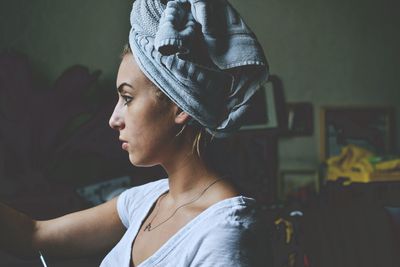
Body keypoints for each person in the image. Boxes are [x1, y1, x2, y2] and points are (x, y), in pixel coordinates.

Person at [0, 0, 269, 266]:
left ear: (179, 107)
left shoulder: (224, 234)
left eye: (127, 98)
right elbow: (33, 235)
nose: (113, 120)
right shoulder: (144, 200)